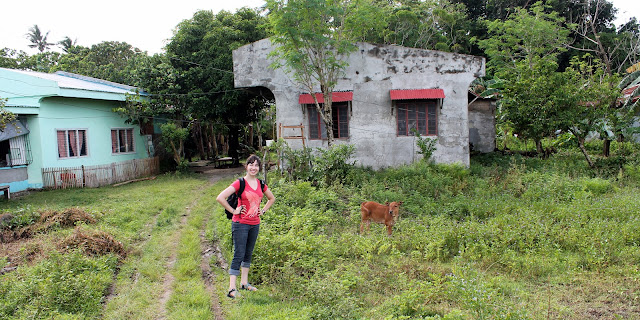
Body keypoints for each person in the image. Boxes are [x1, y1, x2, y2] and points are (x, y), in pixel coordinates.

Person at [216, 154, 275, 299]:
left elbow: (271, 198)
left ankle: (244, 283)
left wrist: (264, 210)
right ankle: (231, 289)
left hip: (255, 224)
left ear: (259, 168)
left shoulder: (261, 184)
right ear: (246, 166)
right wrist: (234, 210)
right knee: (239, 254)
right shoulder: (240, 183)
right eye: (251, 164)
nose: (253, 168)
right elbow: (220, 197)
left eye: (256, 165)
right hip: (240, 224)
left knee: (248, 253)